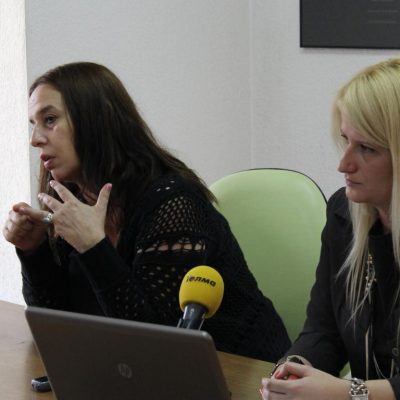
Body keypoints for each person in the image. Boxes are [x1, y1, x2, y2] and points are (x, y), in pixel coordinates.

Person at [3, 61, 290, 362]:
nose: (35, 139)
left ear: (97, 120)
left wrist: (94, 248)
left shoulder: (174, 202)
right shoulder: (72, 198)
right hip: (151, 373)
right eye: (33, 124)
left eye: (49, 120)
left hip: (246, 369)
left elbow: (154, 341)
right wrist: (33, 251)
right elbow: (58, 329)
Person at [260, 58, 400, 399]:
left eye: (366, 148)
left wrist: (350, 393)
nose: (343, 164)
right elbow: (323, 331)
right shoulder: (344, 215)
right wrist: (293, 367)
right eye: (345, 140)